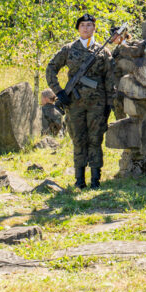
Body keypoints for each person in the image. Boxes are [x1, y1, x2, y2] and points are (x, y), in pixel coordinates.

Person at [46, 13, 119, 189]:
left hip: (97, 104)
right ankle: (79, 180)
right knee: (78, 139)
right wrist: (59, 92)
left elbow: (110, 78)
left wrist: (109, 104)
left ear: (94, 28)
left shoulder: (103, 51)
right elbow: (51, 68)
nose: (86, 28)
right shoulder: (69, 49)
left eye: (89, 25)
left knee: (95, 139)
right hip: (74, 104)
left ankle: (95, 180)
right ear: (78, 29)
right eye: (83, 25)